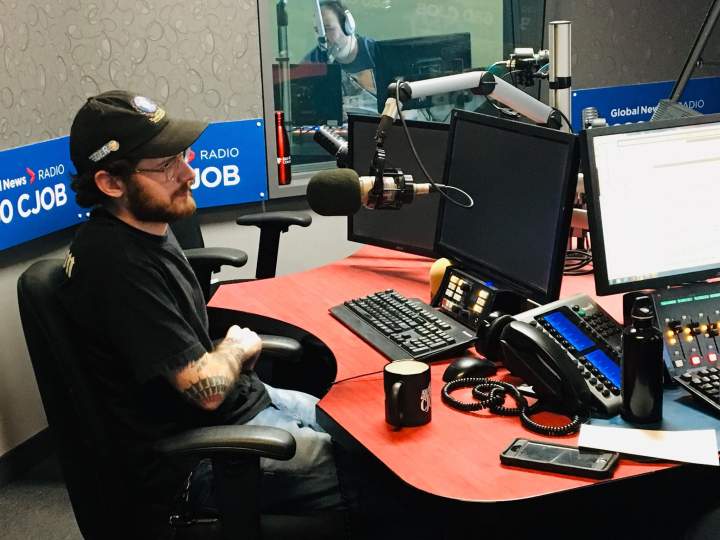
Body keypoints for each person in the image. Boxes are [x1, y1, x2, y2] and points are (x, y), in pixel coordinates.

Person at [58, 90, 349, 536]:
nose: (188, 173)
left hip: (242, 409)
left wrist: (230, 356)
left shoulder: (146, 229)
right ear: (111, 183)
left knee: (366, 429)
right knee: (384, 478)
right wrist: (233, 350)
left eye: (182, 156)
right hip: (201, 462)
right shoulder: (117, 265)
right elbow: (207, 391)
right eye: (166, 166)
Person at [304, 0, 377, 106]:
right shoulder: (311, 63)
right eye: (317, 30)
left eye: (328, 29)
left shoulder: (376, 53)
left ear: (348, 27)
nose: (322, 37)